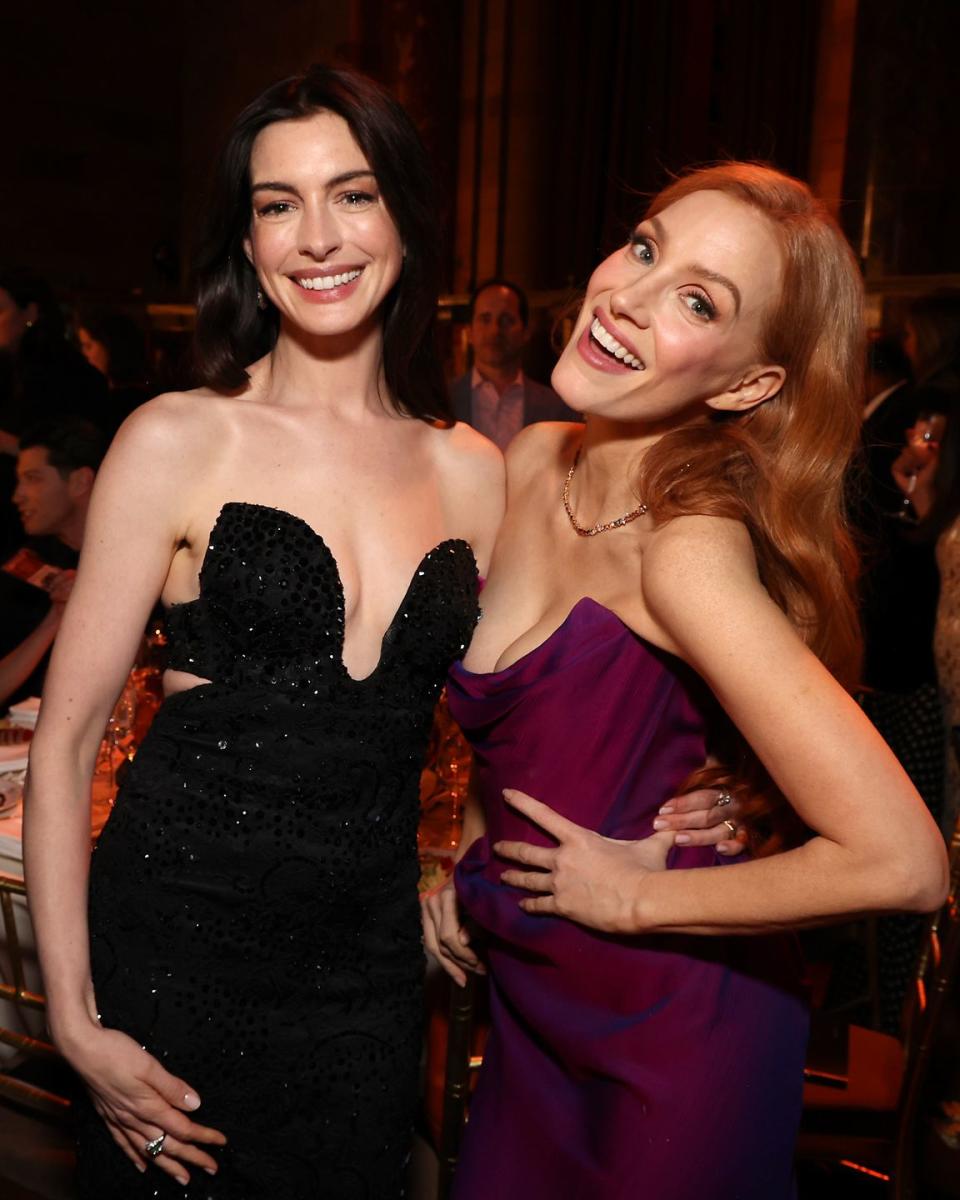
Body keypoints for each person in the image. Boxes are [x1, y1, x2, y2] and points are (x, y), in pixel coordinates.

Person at [23, 65, 504, 1198]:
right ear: (246, 243)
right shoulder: (179, 438)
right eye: (278, 204)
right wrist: (78, 1025)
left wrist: (717, 782)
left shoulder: (474, 471)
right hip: (175, 953)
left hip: (368, 981)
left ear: (405, 219)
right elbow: (68, 735)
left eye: (354, 194)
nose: (317, 237)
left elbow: (516, 710)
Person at [422, 163, 949, 1199]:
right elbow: (528, 737)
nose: (626, 294)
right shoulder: (534, 459)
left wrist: (628, 901)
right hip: (535, 1007)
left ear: (748, 383)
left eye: (699, 302)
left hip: (672, 1038)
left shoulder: (684, 551)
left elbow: (907, 861)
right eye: (648, 247)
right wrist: (472, 856)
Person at [0, 269, 108, 554]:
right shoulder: (10, 368)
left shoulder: (60, 373)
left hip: (50, 523)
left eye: (0, 310)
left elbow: (73, 449)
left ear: (30, 312)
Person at [0, 418, 104, 709]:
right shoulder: (21, 572)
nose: (16, 496)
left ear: (80, 481)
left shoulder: (137, 560)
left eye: (32, 478)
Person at [449, 278, 576, 449]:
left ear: (526, 331)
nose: (495, 330)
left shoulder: (557, 409)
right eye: (485, 319)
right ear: (469, 331)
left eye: (507, 320)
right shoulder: (441, 402)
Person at [74, 306, 154, 436]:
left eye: (88, 346)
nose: (84, 354)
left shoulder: (126, 401)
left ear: (109, 346)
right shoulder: (103, 392)